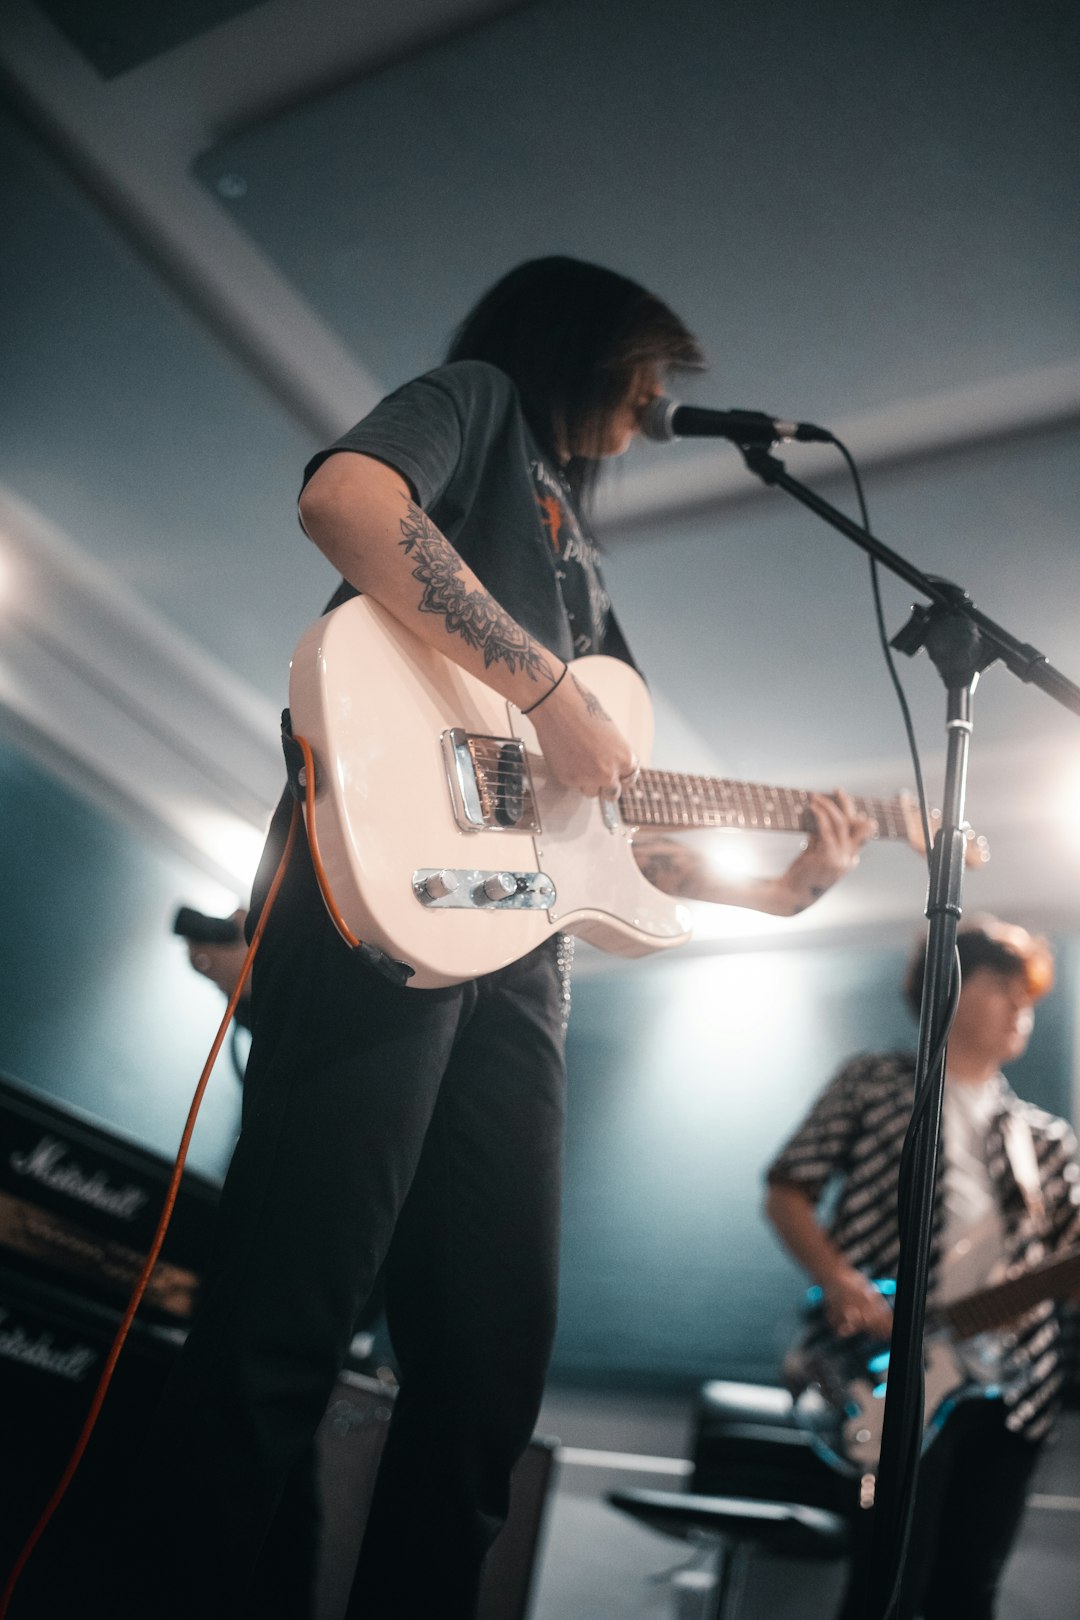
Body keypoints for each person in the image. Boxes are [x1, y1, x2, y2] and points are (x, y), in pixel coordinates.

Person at [96, 257, 867, 1620]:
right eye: (646, 376)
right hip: (382, 920)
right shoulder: (482, 403)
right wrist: (547, 688)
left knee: (486, 1381)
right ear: (586, 345)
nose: (651, 410)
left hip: (522, 970)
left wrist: (784, 889)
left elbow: (606, 836)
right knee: (282, 1331)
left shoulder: (582, 556)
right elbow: (344, 499)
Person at [766, 916, 1080, 1620]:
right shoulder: (874, 1081)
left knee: (968, 1592)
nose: (1022, 1010)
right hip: (892, 1372)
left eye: (1029, 997)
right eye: (1005, 989)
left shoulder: (1045, 1138)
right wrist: (839, 1279)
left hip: (1016, 1392)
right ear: (952, 989)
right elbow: (787, 1189)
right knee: (889, 1587)